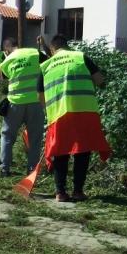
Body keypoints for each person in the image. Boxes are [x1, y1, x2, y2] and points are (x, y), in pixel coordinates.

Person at [40, 34, 110, 202]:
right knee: (82, 151)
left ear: (52, 49)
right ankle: (78, 191)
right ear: (67, 46)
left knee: (60, 152)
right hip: (84, 111)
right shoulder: (80, 57)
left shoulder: (46, 65)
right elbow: (101, 81)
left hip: (59, 115)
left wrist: (49, 113)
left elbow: (40, 96)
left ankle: (60, 193)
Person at [0, 37, 44, 176]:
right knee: (35, 138)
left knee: (7, 136)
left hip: (15, 104)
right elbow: (48, 62)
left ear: (6, 50)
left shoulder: (8, 60)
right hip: (36, 102)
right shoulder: (34, 53)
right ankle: (32, 170)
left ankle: (4, 169)